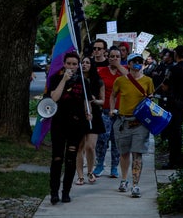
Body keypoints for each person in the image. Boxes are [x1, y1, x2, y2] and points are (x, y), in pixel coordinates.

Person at [48, 52, 92, 205]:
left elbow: (87, 100)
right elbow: (54, 98)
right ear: (64, 64)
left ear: (78, 65)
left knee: (71, 158)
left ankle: (66, 191)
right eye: (69, 64)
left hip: (76, 125)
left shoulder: (84, 82)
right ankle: (54, 192)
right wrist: (64, 80)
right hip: (59, 124)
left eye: (75, 64)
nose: (72, 67)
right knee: (57, 158)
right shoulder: (55, 79)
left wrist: (88, 111)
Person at [110, 52, 154, 198]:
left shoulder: (148, 81)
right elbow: (113, 95)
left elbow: (151, 100)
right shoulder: (120, 81)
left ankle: (135, 185)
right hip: (123, 122)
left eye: (139, 61)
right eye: (134, 61)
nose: (137, 64)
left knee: (137, 154)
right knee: (124, 153)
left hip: (140, 123)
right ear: (128, 64)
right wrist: (112, 109)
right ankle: (124, 180)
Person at [160, 45, 183, 169]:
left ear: (176, 54)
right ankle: (177, 158)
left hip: (172, 103)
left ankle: (173, 160)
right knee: (178, 130)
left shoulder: (174, 69)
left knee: (172, 132)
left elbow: (165, 86)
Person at [93, 46, 126, 178]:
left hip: (120, 111)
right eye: (112, 56)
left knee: (116, 140)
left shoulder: (124, 71)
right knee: (102, 139)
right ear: (107, 57)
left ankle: (114, 167)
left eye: (117, 56)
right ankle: (100, 164)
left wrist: (119, 66)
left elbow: (130, 78)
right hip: (104, 110)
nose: (114, 59)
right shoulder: (101, 71)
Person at [75, 57, 105, 185]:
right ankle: (80, 175)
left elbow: (103, 101)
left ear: (92, 65)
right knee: (79, 147)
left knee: (90, 146)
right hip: (78, 115)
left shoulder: (98, 81)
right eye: (82, 62)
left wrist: (94, 101)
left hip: (94, 115)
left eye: (87, 62)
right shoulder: (76, 80)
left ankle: (90, 171)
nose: (84, 65)